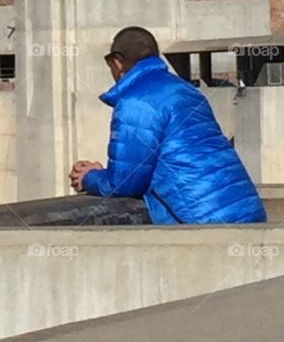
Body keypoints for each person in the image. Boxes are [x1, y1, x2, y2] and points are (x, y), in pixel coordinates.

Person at [70, 26, 266, 225]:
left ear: (117, 63)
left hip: (207, 224)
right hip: (245, 211)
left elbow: (125, 181)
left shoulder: (136, 102)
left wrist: (89, 177)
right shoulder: (184, 89)